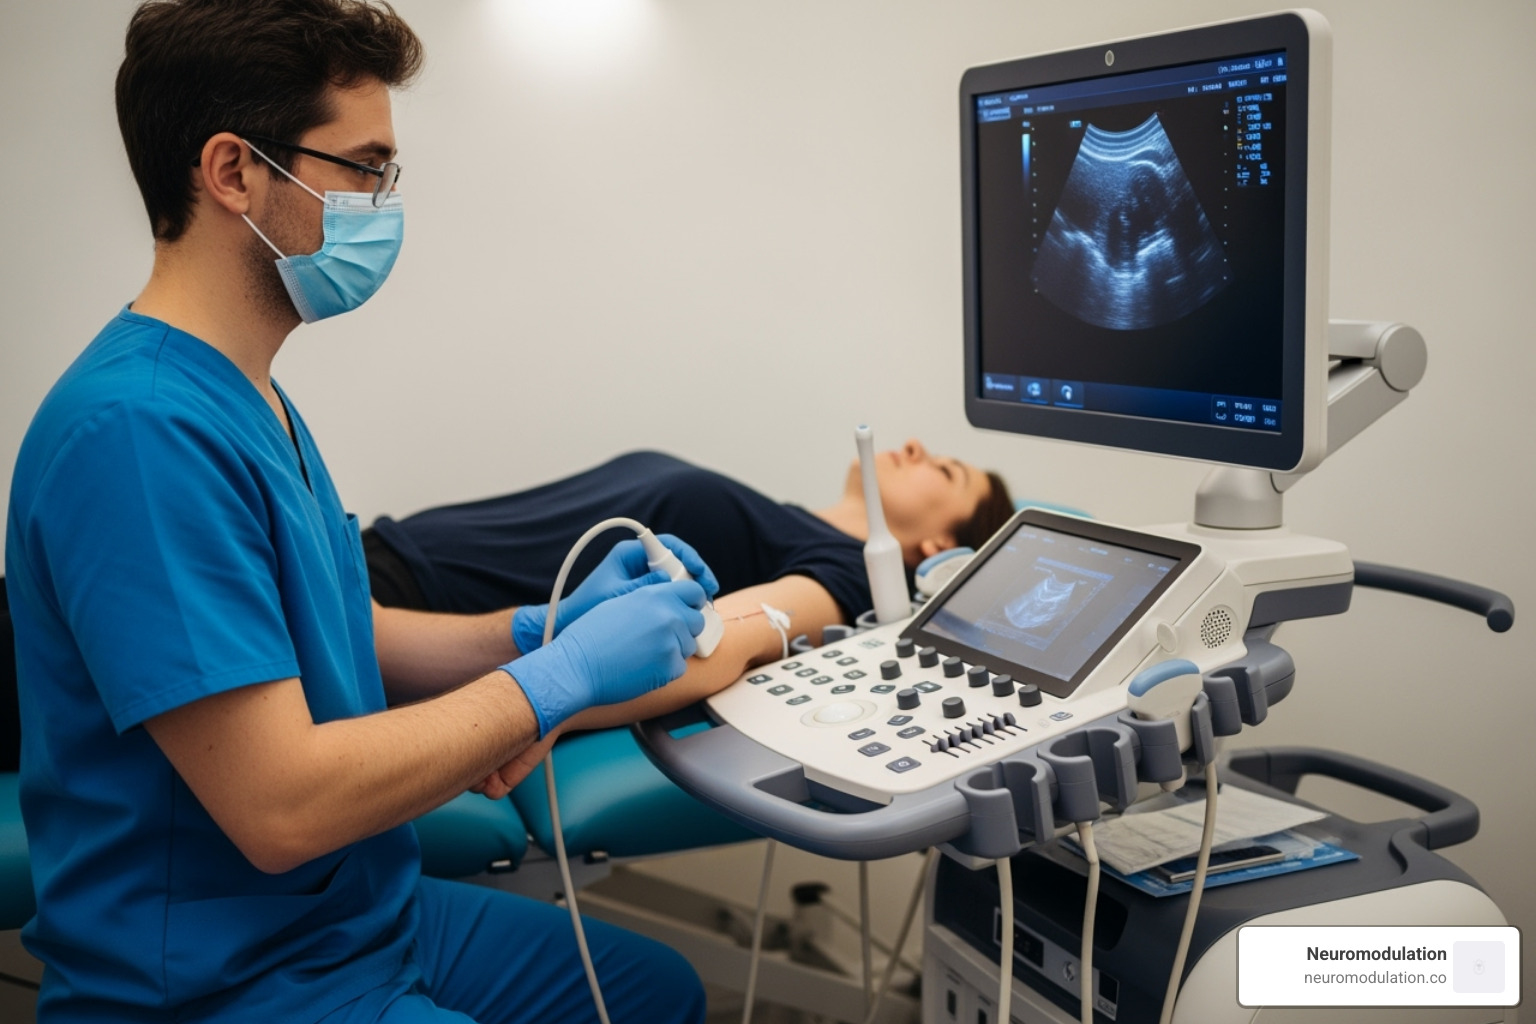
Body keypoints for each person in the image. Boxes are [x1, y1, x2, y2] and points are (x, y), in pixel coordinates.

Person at [4, 2, 719, 1022]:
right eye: (363, 167)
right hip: (224, 976)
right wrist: (558, 676)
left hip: (350, 914)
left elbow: (334, 633)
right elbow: (281, 805)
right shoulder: (136, 431)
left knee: (654, 991)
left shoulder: (250, 393)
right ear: (234, 172)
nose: (383, 203)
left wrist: (538, 627)